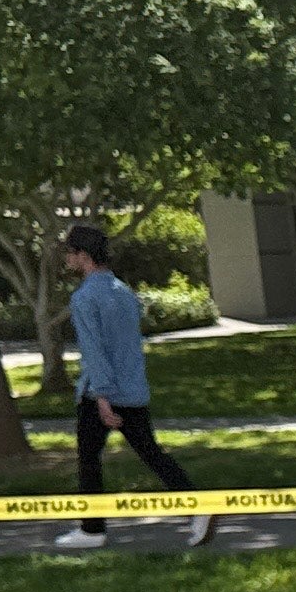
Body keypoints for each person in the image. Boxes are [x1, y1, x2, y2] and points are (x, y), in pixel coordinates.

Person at [54, 223, 206, 551]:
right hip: (134, 390)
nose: (67, 258)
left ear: (83, 256)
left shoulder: (84, 298)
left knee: (88, 460)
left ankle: (92, 530)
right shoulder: (124, 293)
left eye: (70, 252)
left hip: (102, 394)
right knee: (152, 453)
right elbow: (128, 347)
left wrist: (102, 398)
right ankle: (198, 505)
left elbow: (94, 351)